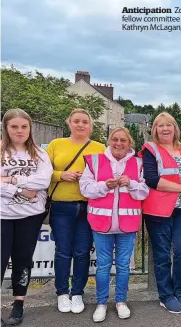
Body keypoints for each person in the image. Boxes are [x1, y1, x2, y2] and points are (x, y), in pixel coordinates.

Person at [79, 127, 149, 322]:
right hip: (102, 222)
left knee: (124, 266)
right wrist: (104, 185)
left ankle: (121, 301)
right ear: (109, 141)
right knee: (102, 266)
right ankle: (101, 303)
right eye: (115, 139)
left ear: (129, 144)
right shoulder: (95, 160)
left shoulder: (139, 163)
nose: (119, 143)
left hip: (128, 223)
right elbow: (85, 188)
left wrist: (131, 183)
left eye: (123, 140)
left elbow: (144, 191)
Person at [138, 112, 181, 313]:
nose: (165, 129)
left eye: (168, 125)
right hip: (158, 211)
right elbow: (151, 179)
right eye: (160, 125)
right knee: (163, 255)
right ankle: (165, 296)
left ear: (175, 128)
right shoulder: (150, 149)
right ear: (154, 130)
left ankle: (179, 291)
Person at [45, 108, 106, 314]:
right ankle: (62, 293)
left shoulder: (100, 147)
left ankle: (77, 292)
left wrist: (89, 179)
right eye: (76, 121)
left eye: (85, 122)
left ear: (91, 126)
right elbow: (42, 171)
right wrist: (62, 175)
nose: (80, 125)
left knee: (82, 251)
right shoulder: (56, 145)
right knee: (63, 250)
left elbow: (106, 174)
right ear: (69, 123)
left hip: (90, 206)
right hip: (62, 206)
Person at [1, 109, 53, 326]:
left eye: (24, 126)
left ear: (30, 128)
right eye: (14, 127)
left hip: (30, 216)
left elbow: (43, 182)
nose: (19, 131)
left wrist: (9, 180)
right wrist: (20, 189)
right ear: (6, 128)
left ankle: (19, 303)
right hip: (3, 215)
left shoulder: (40, 154)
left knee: (23, 260)